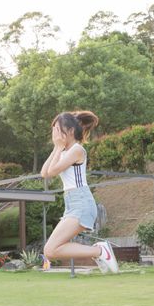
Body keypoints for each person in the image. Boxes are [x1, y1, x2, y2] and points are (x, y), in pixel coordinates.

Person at [41, 111, 119, 273]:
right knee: (50, 250)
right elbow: (45, 173)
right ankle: (99, 251)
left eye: (57, 129)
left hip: (81, 202)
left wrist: (57, 147)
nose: (54, 133)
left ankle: (100, 251)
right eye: (53, 129)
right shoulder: (63, 151)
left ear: (69, 131)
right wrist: (57, 148)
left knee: (51, 249)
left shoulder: (77, 150)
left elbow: (53, 171)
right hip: (71, 203)